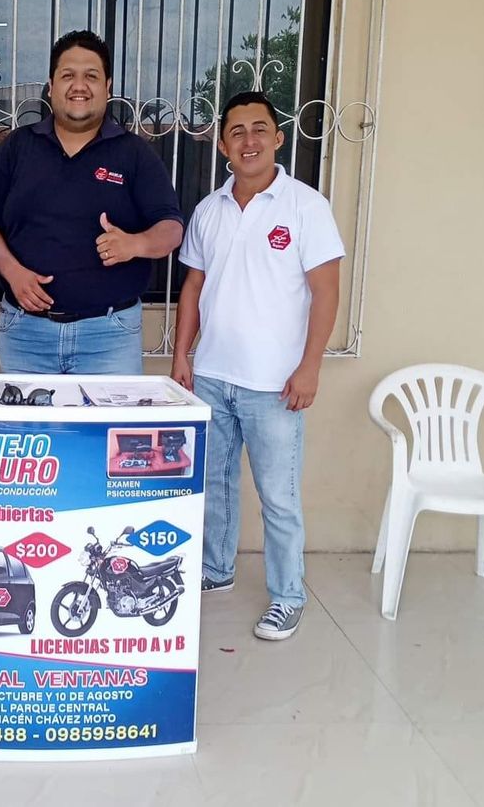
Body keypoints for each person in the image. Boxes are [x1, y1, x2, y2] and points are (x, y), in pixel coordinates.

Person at [172, 91, 344, 641]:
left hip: (275, 384)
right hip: (212, 376)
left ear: (278, 137)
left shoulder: (305, 206)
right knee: (215, 485)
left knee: (279, 496)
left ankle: (288, 595)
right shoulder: (209, 209)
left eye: (259, 129)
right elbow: (193, 286)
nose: (249, 140)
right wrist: (181, 356)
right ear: (223, 145)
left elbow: (326, 291)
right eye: (237, 131)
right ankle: (216, 569)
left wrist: (311, 366)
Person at [0, 29, 183, 374]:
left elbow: (171, 227)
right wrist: (12, 271)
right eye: (68, 75)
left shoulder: (134, 153)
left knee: (109, 416)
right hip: (26, 335)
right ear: (51, 86)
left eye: (91, 76)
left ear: (108, 88)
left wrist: (136, 244)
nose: (79, 86)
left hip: (109, 336)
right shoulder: (18, 146)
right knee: (28, 415)